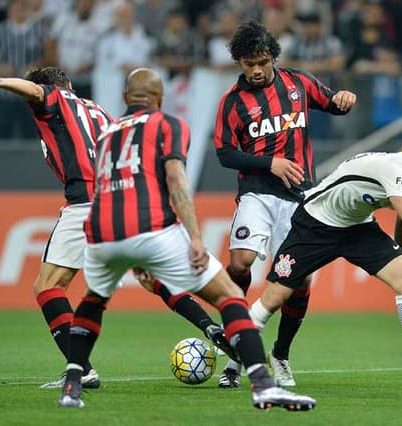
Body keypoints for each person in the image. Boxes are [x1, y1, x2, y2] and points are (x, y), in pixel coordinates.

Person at [56, 68, 316, 411]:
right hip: (152, 228)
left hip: (101, 233)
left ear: (124, 99)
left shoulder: (105, 135)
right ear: (161, 100)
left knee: (93, 299)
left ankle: (73, 385)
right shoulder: (169, 125)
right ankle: (263, 385)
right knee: (228, 295)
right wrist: (195, 237)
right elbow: (176, 181)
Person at [0, 67, 233, 390]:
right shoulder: (101, 112)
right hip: (122, 201)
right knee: (152, 279)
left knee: (48, 286)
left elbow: (37, 93)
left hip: (85, 201)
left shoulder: (56, 98)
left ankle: (80, 368)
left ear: (55, 87)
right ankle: (212, 329)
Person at [247, 151, 402, 391]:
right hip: (316, 222)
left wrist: (397, 256)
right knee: (274, 299)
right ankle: (238, 350)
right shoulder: (396, 171)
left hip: (358, 227)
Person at [213, 20, 357, 388]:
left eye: (262, 61)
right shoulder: (232, 103)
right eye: (249, 64)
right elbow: (225, 153)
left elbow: (331, 103)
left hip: (299, 197)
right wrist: (269, 163)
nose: (257, 70)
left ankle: (280, 354)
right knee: (240, 261)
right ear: (239, 63)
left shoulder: (298, 83)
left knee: (300, 280)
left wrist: (343, 100)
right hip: (257, 193)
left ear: (273, 57)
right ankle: (237, 339)